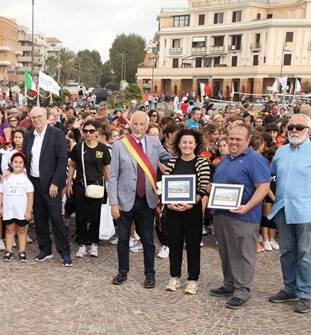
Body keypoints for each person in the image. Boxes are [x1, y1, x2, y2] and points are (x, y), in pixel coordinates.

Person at [267, 114, 311, 314]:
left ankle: (305, 293)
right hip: (283, 209)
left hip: (307, 212)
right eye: (291, 127)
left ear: (309, 130)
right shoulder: (280, 152)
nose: (294, 131)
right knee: (286, 252)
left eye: (299, 127)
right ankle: (289, 288)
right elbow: (273, 176)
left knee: (305, 254)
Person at [209, 124, 271, 310]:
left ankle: (242, 289)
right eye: (231, 138)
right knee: (226, 251)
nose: (234, 142)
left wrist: (248, 206)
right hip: (221, 214)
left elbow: (263, 186)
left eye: (238, 139)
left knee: (242, 253)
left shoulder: (255, 159)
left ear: (248, 141)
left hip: (243, 215)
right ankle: (229, 284)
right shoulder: (226, 159)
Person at [108, 111, 172, 288]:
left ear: (147, 125)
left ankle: (150, 274)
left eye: (142, 124)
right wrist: (113, 203)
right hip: (124, 200)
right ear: (130, 124)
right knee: (122, 239)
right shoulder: (120, 145)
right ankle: (122, 271)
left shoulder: (154, 143)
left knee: (148, 240)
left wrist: (189, 160)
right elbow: (112, 177)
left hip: (147, 200)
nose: (138, 127)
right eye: (135, 124)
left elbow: (169, 160)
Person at [162, 128, 210, 294]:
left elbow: (203, 186)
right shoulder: (172, 162)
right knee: (174, 244)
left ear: (195, 144)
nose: (187, 145)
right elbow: (165, 185)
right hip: (173, 211)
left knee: (193, 245)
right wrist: (168, 203)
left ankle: (192, 279)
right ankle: (174, 276)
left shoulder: (202, 162)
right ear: (179, 144)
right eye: (184, 142)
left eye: (190, 142)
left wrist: (191, 204)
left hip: (193, 211)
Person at [21, 107, 71, 267]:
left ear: (46, 117)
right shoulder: (29, 136)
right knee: (40, 219)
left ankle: (64, 252)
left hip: (52, 185)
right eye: (33, 117)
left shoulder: (56, 134)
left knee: (56, 219)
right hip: (34, 183)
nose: (36, 120)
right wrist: (10, 170)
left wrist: (56, 182)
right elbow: (23, 157)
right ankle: (45, 249)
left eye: (39, 117)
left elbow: (62, 160)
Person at [65, 120, 111, 258]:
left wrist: (108, 186)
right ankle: (82, 243)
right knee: (81, 216)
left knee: (95, 216)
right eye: (85, 131)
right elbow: (72, 165)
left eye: (91, 131)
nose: (88, 134)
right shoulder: (78, 147)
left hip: (97, 186)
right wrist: (69, 184)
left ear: (96, 131)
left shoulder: (103, 149)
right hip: (80, 185)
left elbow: (106, 169)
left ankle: (94, 243)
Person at [0, 152, 34, 262]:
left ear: (24, 165)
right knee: (9, 229)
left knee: (21, 230)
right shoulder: (6, 178)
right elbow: (1, 193)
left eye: (20, 162)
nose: (18, 164)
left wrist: (28, 210)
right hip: (8, 210)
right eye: (15, 162)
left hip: (21, 211)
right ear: (11, 164)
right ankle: (8, 251)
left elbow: (30, 195)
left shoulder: (26, 179)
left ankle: (22, 251)